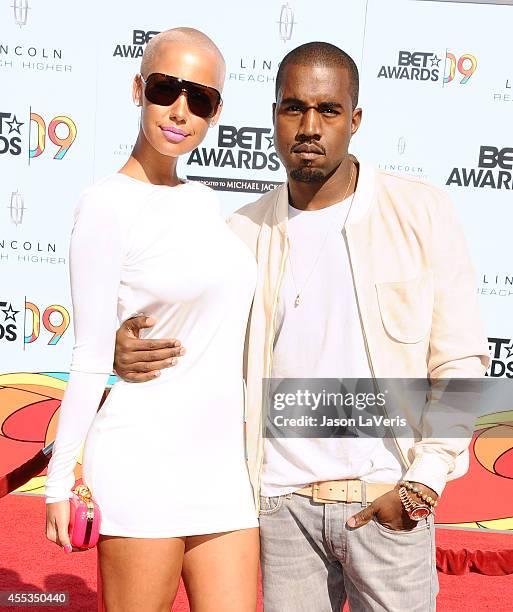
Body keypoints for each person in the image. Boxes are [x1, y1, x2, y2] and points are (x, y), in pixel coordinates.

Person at [113, 42, 489, 611]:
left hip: (388, 502)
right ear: (274, 117)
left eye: (328, 111)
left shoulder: (420, 213)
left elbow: (462, 364)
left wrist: (423, 484)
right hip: (281, 514)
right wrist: (122, 351)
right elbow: (195, 343)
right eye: (293, 108)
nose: (309, 126)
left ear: (354, 119)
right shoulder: (242, 232)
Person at [44, 28, 260, 612]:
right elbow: (90, 356)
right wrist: (60, 484)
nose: (181, 111)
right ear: (139, 88)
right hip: (143, 458)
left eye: (202, 99)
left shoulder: (204, 201)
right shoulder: (105, 205)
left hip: (221, 466)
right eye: (167, 89)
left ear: (217, 112)